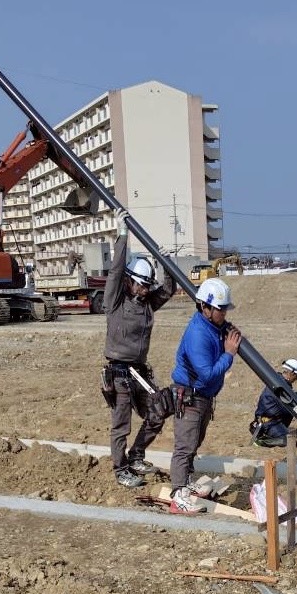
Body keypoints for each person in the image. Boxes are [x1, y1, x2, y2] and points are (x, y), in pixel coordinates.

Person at [103, 209, 176, 488]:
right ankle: (121, 469)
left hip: (140, 372)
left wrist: (165, 261)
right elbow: (115, 271)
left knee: (157, 411)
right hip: (120, 373)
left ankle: (136, 455)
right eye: (141, 285)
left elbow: (168, 289)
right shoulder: (115, 302)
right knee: (121, 424)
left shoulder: (147, 305)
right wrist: (123, 234)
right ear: (130, 281)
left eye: (147, 286)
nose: (145, 291)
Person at [169, 278, 242, 514]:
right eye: (220, 309)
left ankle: (187, 481)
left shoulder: (213, 326)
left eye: (224, 309)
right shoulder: (198, 334)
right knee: (185, 445)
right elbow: (208, 373)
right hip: (190, 396)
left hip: (202, 397)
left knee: (194, 443)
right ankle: (177, 494)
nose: (223, 314)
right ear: (205, 307)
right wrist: (229, 354)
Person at [249, 358, 297, 447]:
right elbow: (290, 404)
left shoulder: (278, 381)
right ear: (292, 373)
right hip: (269, 424)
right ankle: (262, 442)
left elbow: (288, 399)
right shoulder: (280, 386)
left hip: (270, 422)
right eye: (296, 376)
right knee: (292, 444)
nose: (296, 379)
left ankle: (276, 434)